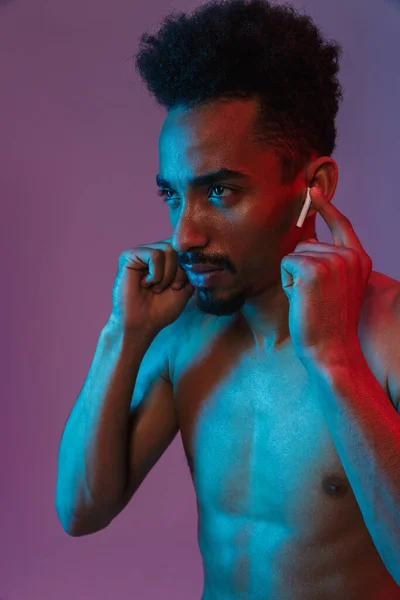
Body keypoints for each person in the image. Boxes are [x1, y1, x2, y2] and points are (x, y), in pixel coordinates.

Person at [55, 0, 400, 597]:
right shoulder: (186, 333)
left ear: (312, 189)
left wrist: (335, 359)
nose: (185, 233)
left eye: (219, 191)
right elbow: (81, 511)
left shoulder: (389, 333)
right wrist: (123, 334)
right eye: (172, 194)